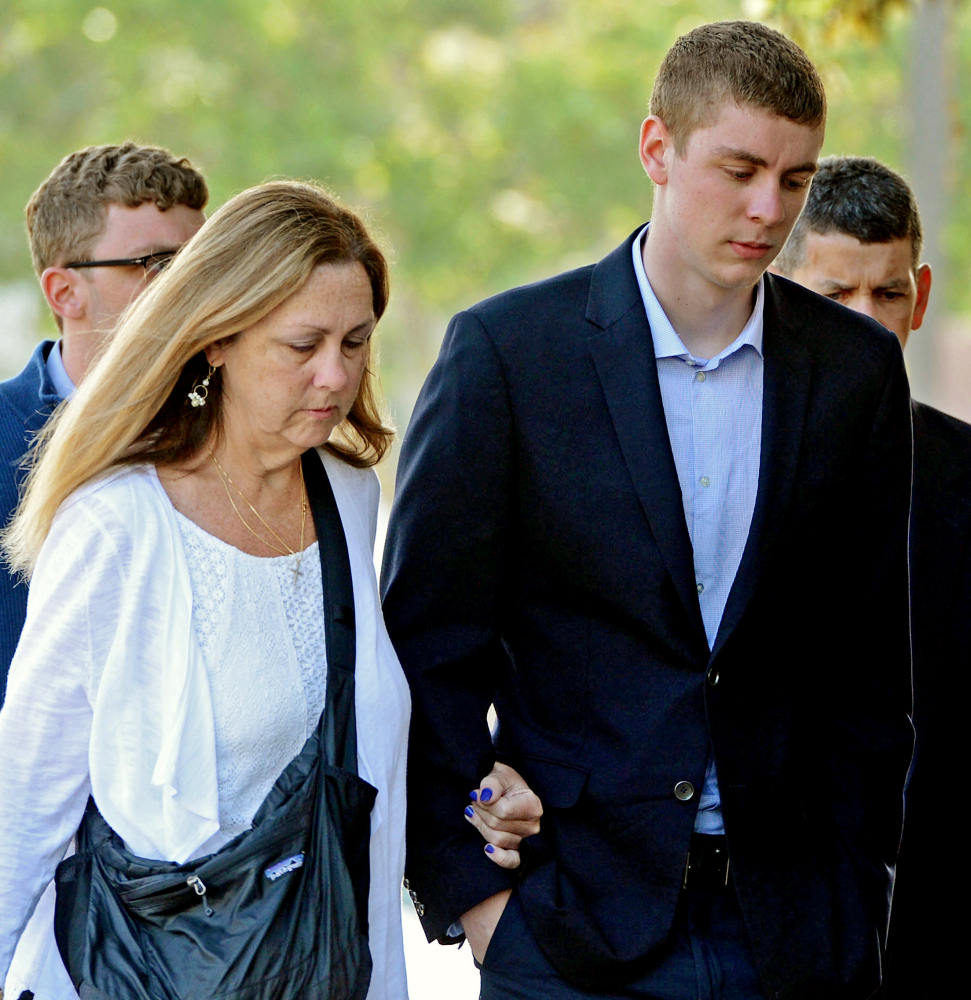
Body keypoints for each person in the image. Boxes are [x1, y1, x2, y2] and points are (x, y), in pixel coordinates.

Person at [382, 20, 913, 1000]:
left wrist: (852, 886)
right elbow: (427, 639)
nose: (766, 210)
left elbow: (868, 658)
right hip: (567, 926)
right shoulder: (509, 353)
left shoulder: (855, 369)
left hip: (793, 933)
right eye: (739, 168)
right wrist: (479, 906)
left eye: (792, 181)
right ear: (655, 150)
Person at [0, 179, 536, 1000]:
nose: (334, 374)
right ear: (216, 338)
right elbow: (24, 809)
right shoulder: (117, 526)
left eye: (355, 342)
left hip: (337, 967)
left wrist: (485, 787)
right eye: (301, 345)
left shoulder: (350, 497)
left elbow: (368, 745)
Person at [773, 155, 971, 1000]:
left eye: (887, 295)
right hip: (766, 920)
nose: (866, 325)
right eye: (834, 298)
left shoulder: (965, 473)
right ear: (777, 299)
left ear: (919, 297)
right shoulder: (721, 471)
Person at [0, 142, 208, 703]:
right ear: (64, 291)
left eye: (198, 264)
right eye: (154, 265)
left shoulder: (238, 432)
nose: (188, 288)